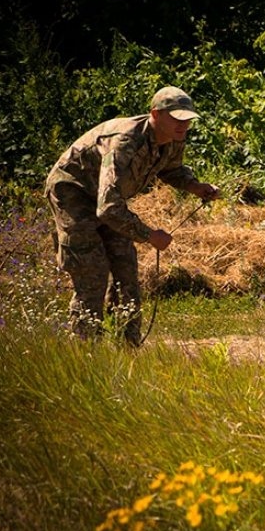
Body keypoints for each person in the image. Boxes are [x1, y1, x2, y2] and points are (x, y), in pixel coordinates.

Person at [44, 86, 220, 345]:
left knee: (125, 268)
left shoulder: (173, 136)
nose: (183, 125)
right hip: (74, 193)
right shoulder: (124, 143)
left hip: (108, 199)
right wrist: (149, 235)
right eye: (177, 118)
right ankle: (86, 350)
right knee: (93, 270)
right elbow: (107, 208)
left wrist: (195, 187)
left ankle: (127, 347)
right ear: (156, 115)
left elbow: (170, 169)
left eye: (187, 119)